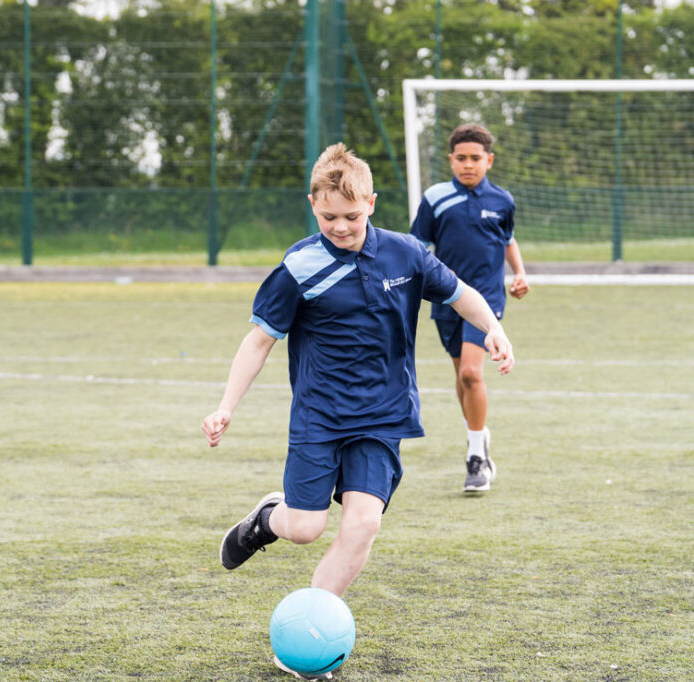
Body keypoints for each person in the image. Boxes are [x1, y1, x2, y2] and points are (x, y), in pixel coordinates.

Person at [201, 143, 514, 680]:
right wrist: (226, 406)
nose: (341, 227)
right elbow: (258, 342)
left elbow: (460, 293)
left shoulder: (406, 253)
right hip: (319, 417)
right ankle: (266, 518)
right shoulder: (300, 266)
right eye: (328, 217)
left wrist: (494, 328)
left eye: (351, 215)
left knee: (363, 524)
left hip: (380, 416)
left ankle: (309, 635)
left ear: (371, 201)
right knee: (303, 528)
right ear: (312, 205)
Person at [410, 123, 530, 494]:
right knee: (461, 375)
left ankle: (476, 458)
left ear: (489, 161)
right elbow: (416, 246)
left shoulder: (502, 201)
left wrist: (520, 273)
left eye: (475, 158)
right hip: (447, 299)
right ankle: (478, 435)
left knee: (471, 375)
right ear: (450, 160)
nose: (468, 164)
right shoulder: (435, 198)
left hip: (488, 300)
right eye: (460, 158)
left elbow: (507, 240)